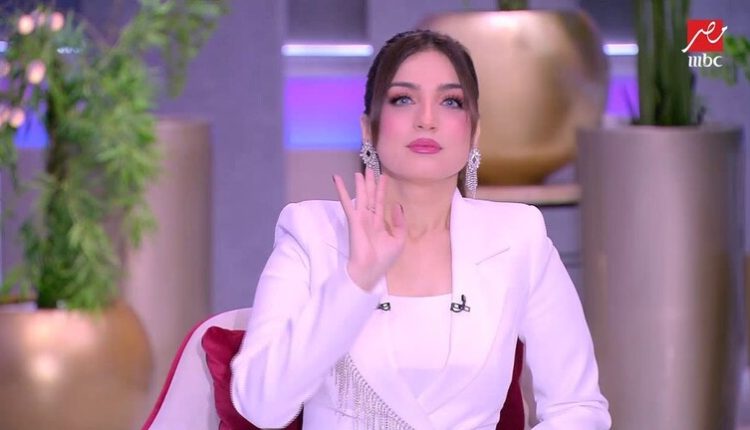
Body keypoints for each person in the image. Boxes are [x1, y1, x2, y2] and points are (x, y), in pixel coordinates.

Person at [230, 29, 611, 430]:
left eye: (450, 102)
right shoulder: (311, 233)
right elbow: (260, 405)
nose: (426, 120)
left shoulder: (518, 237)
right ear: (368, 129)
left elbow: (578, 407)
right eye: (403, 99)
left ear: (474, 132)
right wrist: (355, 281)